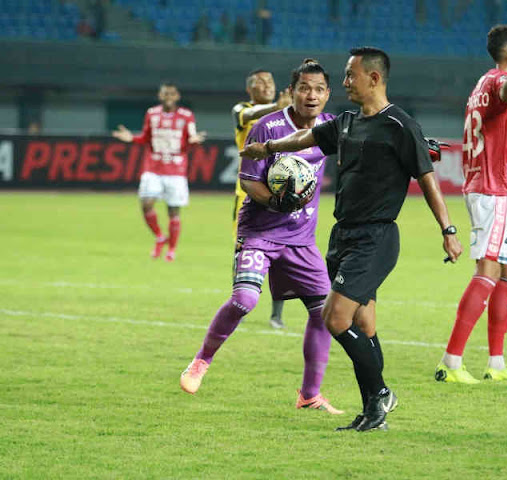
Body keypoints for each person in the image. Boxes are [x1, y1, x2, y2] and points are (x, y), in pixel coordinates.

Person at [241, 47, 463, 432]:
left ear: (374, 79)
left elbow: (428, 180)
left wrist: (448, 230)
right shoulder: (345, 121)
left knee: (334, 317)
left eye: (350, 76)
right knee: (365, 324)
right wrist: (270, 147)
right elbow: (307, 137)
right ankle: (372, 412)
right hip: (341, 234)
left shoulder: (400, 125)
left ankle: (380, 394)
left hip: (376, 237)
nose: (343, 83)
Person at [180, 59, 344, 415]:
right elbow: (248, 180)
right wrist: (275, 202)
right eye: (304, 88)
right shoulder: (266, 127)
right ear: (293, 91)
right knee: (244, 301)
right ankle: (201, 361)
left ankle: (309, 395)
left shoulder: (331, 128)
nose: (311, 95)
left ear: (327, 94)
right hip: (259, 232)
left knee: (324, 315)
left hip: (301, 240)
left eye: (318, 89)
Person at [435, 24, 507, 384]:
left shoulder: (481, 83)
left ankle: (496, 362)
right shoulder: (498, 82)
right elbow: (506, 93)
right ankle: (452, 361)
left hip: (488, 186)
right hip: (494, 189)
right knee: (488, 272)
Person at [112, 82, 206, 262]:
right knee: (146, 203)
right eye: (165, 94)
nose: (168, 97)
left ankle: (171, 249)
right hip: (153, 167)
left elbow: (191, 137)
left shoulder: (186, 116)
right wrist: (131, 137)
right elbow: (146, 138)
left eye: (171, 94)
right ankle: (160, 236)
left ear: (177, 96)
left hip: (176, 169)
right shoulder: (152, 113)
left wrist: (194, 140)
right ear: (160, 96)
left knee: (173, 211)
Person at [232, 70, 292, 329]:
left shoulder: (287, 116)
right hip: (246, 194)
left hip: (280, 191)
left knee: (284, 253)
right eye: (260, 81)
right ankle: (238, 304)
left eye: (270, 80)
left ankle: (276, 314)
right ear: (249, 89)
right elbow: (247, 115)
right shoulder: (242, 109)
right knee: (243, 252)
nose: (267, 84)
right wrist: (277, 107)